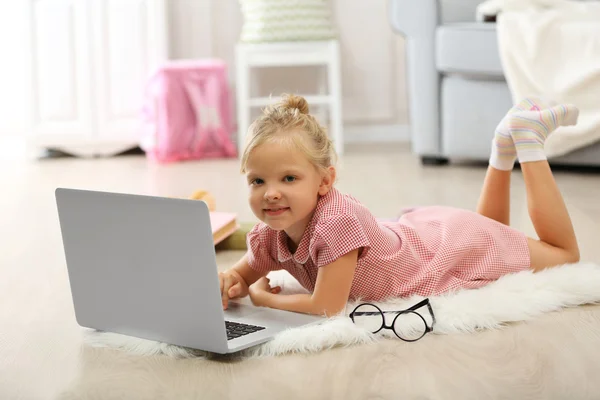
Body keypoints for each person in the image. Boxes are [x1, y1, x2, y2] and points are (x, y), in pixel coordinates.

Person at [218, 94, 581, 316]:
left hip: (443, 248)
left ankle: (528, 142)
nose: (271, 193)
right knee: (496, 236)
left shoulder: (335, 224)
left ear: (325, 181)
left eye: (289, 179)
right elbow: (240, 275)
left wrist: (265, 300)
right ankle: (503, 145)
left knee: (563, 254)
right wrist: (228, 283)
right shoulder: (270, 234)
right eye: (257, 181)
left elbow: (326, 307)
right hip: (426, 235)